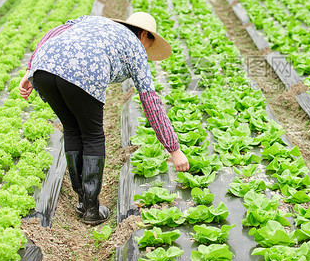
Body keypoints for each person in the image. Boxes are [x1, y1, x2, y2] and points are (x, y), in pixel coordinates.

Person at [19, 12, 189, 225]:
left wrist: (29, 69)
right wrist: (174, 149)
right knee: (92, 135)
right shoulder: (136, 47)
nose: (147, 49)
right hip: (82, 72)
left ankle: (82, 201)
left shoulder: (94, 21)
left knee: (72, 128)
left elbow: (54, 32)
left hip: (44, 68)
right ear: (144, 34)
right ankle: (91, 209)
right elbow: (150, 101)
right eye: (149, 42)